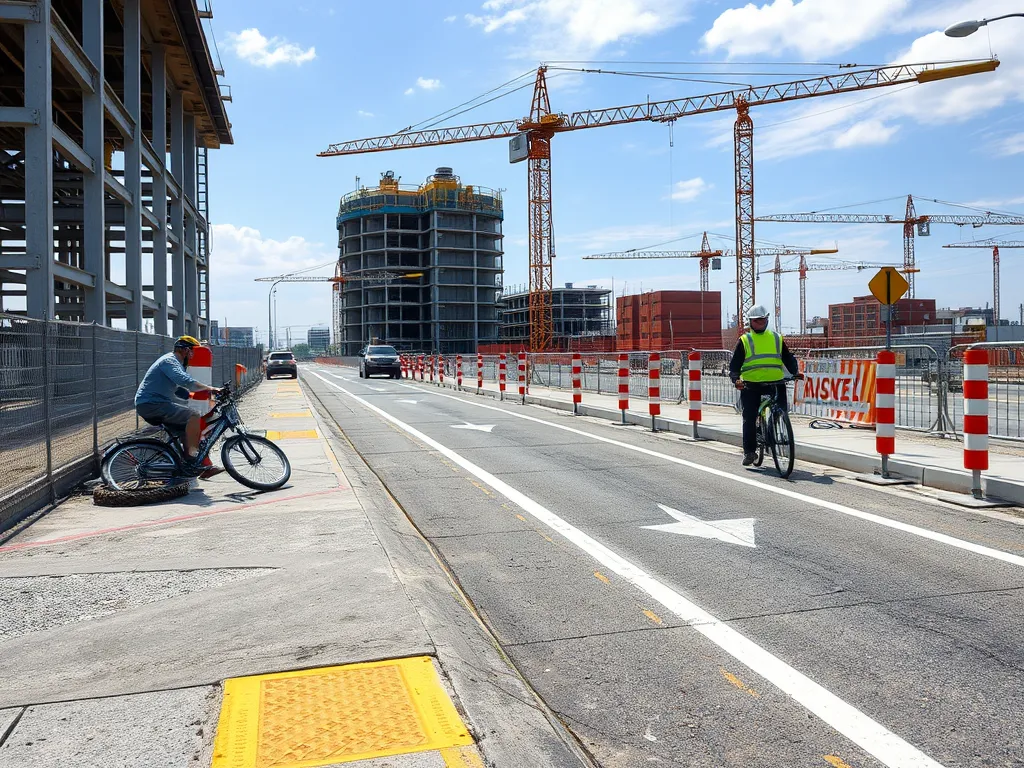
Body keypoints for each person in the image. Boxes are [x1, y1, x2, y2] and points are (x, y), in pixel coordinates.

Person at [135, 335, 223, 477]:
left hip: (155, 403)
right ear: (185, 350)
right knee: (193, 417)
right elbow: (184, 381)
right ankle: (196, 463)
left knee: (185, 429)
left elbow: (177, 388)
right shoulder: (170, 361)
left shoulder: (174, 362)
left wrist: (190, 395)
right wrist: (211, 389)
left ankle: (195, 466)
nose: (193, 355)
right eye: (192, 351)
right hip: (152, 404)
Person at [729, 305, 802, 466]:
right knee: (749, 417)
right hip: (751, 385)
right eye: (757, 320)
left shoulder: (776, 338)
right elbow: (734, 365)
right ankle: (749, 452)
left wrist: (795, 372)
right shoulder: (745, 341)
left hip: (776, 383)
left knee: (782, 411)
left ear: (767, 319)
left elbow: (788, 358)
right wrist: (736, 380)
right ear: (751, 322)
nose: (760, 322)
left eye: (763, 319)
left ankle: (774, 431)